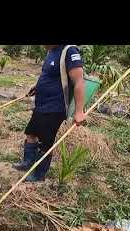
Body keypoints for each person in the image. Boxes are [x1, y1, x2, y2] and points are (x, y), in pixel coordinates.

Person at [13, 45, 86, 182]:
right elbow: (49, 74)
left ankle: (39, 175)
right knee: (31, 133)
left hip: (55, 108)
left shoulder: (69, 51)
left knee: (46, 142)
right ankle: (27, 163)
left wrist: (79, 111)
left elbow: (79, 82)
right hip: (41, 105)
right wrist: (37, 86)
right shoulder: (51, 51)